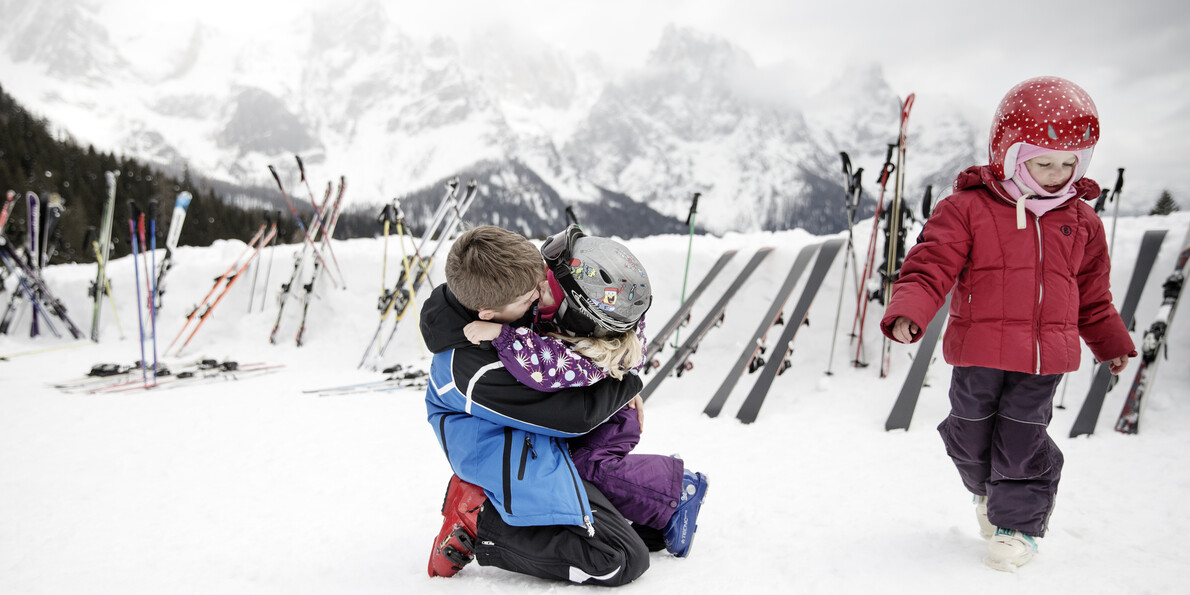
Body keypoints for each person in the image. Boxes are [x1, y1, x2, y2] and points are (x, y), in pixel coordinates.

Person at [879, 76, 1136, 572]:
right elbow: (931, 264)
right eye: (1044, 162)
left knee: (1022, 440)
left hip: (1043, 360)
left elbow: (1093, 295)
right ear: (1010, 154)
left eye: (1070, 163)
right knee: (967, 435)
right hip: (978, 350)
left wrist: (1110, 342)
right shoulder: (967, 208)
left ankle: (1017, 526)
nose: (1058, 174)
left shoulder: (1081, 221)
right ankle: (989, 493)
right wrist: (911, 309)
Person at [421, 225, 650, 585]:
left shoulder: (502, 299)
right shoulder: (476, 369)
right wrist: (627, 380)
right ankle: (479, 517)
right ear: (486, 313)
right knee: (620, 560)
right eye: (530, 296)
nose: (540, 297)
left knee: (638, 519)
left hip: (532, 435)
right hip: (508, 452)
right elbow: (575, 417)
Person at [461, 224, 708, 558]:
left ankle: (677, 489)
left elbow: (543, 367)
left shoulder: (586, 357)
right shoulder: (588, 316)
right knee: (579, 468)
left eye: (547, 290)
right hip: (597, 414)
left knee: (589, 467)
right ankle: (654, 510)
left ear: (578, 318)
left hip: (610, 420)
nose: (537, 290)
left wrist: (501, 335)